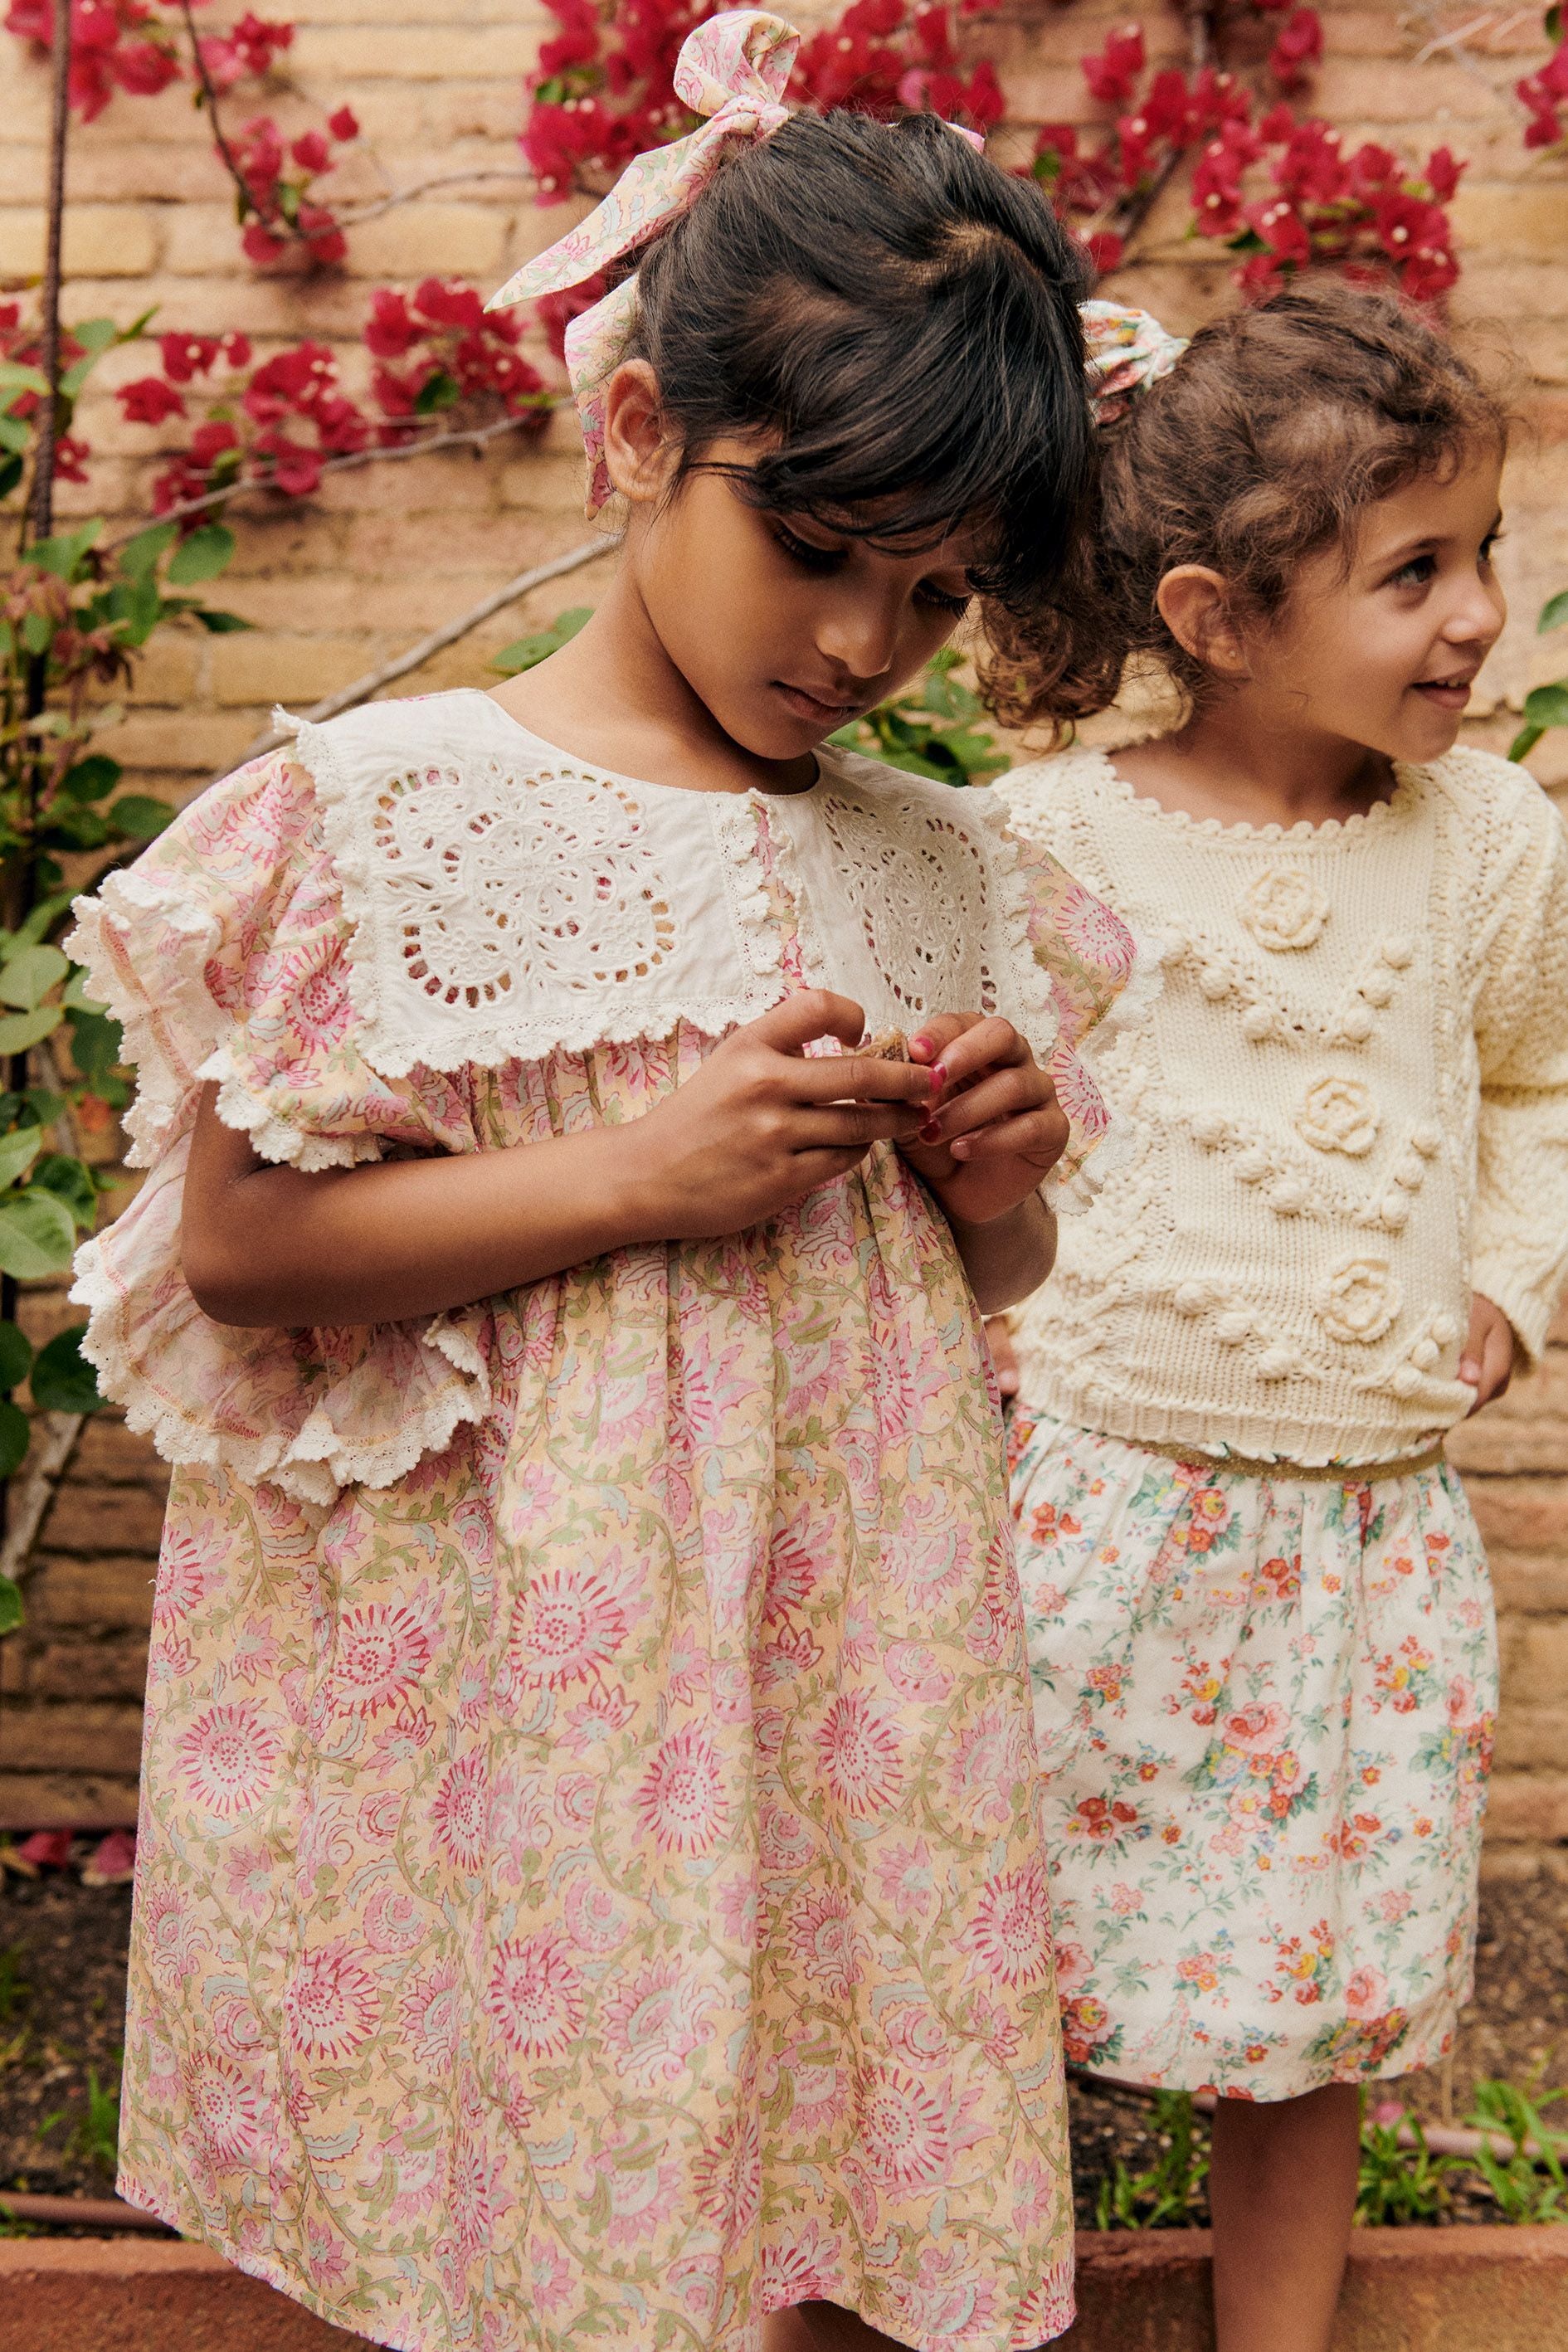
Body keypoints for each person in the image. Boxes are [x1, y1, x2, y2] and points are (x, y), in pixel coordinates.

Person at [69, 17, 1154, 2350]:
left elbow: (1003, 1272)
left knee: (777, 2147)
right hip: (528, 1674)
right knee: (542, 2153)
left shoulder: (936, 862)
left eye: (940, 594)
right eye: (823, 550)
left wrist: (994, 1176)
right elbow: (247, 1255)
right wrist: (633, 1173)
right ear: (643, 432)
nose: (868, 645)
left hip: (827, 1656)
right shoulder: (390, 815)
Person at [989, 280, 1568, 2352]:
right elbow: (981, 1116)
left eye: (1485, 551)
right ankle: (957, 2303)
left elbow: (1540, 1083)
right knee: (995, 1945)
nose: (1478, 611)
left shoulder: (1493, 849)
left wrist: (1509, 1273)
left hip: (1359, 1538)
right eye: (1413, 569)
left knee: (1303, 1998)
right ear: (1219, 613)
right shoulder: (1051, 842)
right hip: (1097, 1513)